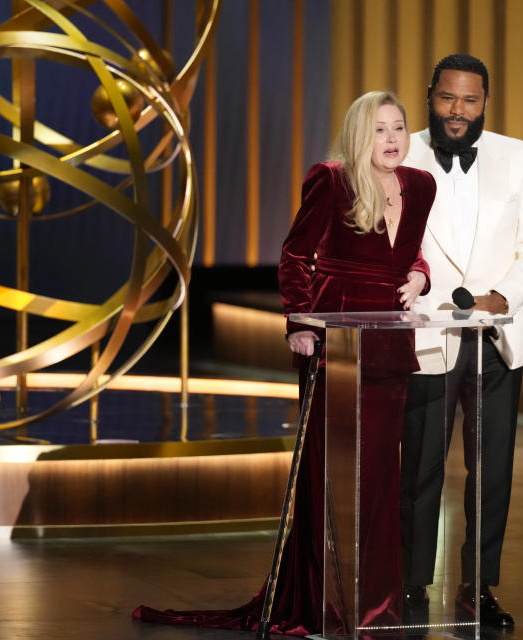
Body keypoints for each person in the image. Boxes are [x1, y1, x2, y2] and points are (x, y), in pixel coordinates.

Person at [133, 91, 437, 634]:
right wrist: (299, 321)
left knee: (381, 479)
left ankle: (376, 606)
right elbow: (297, 255)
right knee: (332, 474)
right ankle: (323, 603)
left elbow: (409, 251)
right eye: (379, 130)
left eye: (399, 128)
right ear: (357, 135)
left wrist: (420, 275)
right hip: (334, 336)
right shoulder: (332, 179)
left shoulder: (421, 185)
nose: (392, 140)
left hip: (389, 342)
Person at [400, 53, 523, 628]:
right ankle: (411, 584)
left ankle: (479, 587)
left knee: (492, 471)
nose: (457, 111)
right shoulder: (402, 150)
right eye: (447, 98)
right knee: (419, 467)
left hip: (496, 333)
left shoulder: (519, 157)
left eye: (469, 100)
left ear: (485, 101)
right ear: (430, 96)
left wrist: (502, 297)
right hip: (425, 334)